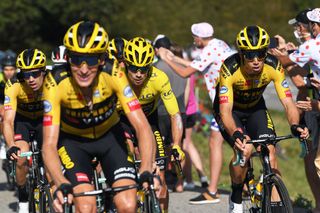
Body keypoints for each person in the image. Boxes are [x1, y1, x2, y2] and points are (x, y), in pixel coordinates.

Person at [41, 21, 155, 213]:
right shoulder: (55, 82)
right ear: (68, 58)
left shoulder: (114, 74)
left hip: (110, 138)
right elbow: (49, 144)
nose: (84, 69)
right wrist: (60, 182)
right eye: (77, 59)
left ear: (102, 59)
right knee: (86, 207)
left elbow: (142, 126)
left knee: (128, 204)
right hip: (74, 143)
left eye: (92, 60)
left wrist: (145, 166)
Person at [217, 25, 309, 213]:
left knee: (270, 149)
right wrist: (235, 133)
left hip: (256, 109)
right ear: (242, 54)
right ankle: (236, 194)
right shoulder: (229, 67)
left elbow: (288, 102)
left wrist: (295, 125)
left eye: (261, 53)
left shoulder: (273, 65)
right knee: (243, 153)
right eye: (250, 55)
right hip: (231, 110)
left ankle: (275, 206)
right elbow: (225, 111)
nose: (257, 60)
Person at [158, 22, 235, 204]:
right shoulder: (219, 44)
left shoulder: (207, 50)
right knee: (234, 140)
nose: (194, 41)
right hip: (235, 99)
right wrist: (175, 58)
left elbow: (186, 73)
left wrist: (167, 58)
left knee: (215, 142)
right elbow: (198, 66)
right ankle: (246, 184)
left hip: (223, 102)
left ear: (199, 38)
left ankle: (212, 191)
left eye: (194, 37)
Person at [121, 37, 185, 212]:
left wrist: (177, 145)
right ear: (126, 64)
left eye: (144, 69)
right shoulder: (117, 78)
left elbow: (175, 114)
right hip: (123, 122)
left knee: (160, 181)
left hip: (150, 122)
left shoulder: (159, 78)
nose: (139, 74)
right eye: (134, 68)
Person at [271, 9, 320, 213]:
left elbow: (298, 80)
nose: (298, 29)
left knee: (314, 160)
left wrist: (277, 52)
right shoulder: (307, 47)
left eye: (300, 26)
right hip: (313, 103)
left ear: (312, 25)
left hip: (312, 105)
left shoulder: (310, 46)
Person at [3, 48, 47, 213]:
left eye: (35, 74)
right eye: (26, 73)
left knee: (50, 158)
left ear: (43, 71)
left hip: (44, 120)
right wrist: (10, 145)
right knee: (21, 158)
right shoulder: (14, 84)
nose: (30, 79)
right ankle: (23, 195)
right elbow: (8, 121)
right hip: (23, 121)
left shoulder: (52, 81)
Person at [0, 54, 17, 159]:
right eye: (6, 69)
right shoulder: (0, 78)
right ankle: (2, 141)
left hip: (14, 102)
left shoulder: (18, 78)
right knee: (3, 115)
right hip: (1, 101)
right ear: (2, 70)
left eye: (11, 69)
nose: (9, 72)